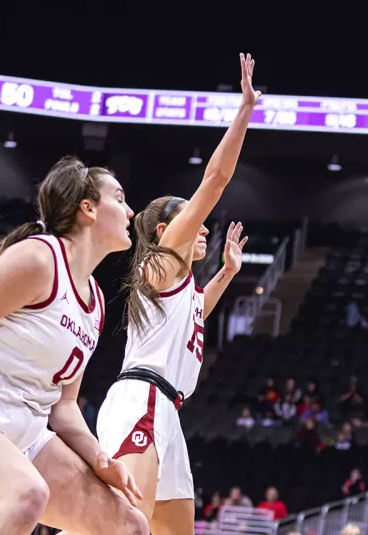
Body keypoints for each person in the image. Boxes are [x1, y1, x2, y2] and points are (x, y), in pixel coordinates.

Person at [0, 156, 148, 535]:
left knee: (129, 525)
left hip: (28, 429)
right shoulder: (39, 258)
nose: (131, 211)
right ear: (88, 209)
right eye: (119, 199)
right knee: (28, 495)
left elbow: (64, 406)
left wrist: (99, 458)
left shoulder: (96, 303)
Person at [96, 53, 257, 535]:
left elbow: (196, 313)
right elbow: (216, 180)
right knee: (128, 526)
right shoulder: (160, 263)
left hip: (167, 408)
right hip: (141, 397)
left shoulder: (178, 285)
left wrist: (227, 273)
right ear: (168, 229)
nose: (204, 225)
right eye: (194, 219)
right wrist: (245, 109)